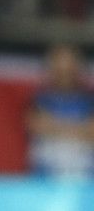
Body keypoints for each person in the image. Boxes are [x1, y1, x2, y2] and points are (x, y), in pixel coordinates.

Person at [27, 44, 94, 177]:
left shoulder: (89, 100)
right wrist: (80, 130)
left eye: (68, 70)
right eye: (60, 70)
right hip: (46, 171)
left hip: (85, 171)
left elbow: (92, 131)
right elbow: (37, 126)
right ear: (52, 69)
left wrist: (55, 127)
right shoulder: (39, 99)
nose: (64, 74)